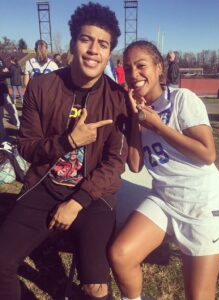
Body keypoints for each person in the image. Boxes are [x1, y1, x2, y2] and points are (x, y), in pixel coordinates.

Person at [0, 2, 128, 300]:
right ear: (72, 43)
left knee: (96, 287)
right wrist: (68, 141)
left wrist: (78, 202)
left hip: (92, 195)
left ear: (109, 53)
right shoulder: (42, 87)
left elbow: (114, 163)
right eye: (86, 39)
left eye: (103, 44)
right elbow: (27, 147)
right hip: (46, 186)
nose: (94, 49)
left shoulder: (118, 98)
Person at [110, 40, 219, 300]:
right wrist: (136, 118)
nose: (134, 74)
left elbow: (208, 154)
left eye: (141, 65)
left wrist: (159, 127)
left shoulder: (182, 99)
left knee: (199, 296)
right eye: (128, 68)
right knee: (121, 255)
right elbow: (135, 165)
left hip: (200, 203)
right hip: (164, 199)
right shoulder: (140, 112)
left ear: (159, 68)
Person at [0, 56, 20, 141]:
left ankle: (20, 130)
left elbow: (7, 72)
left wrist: (3, 73)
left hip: (3, 88)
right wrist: (3, 73)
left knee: (12, 109)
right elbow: (4, 72)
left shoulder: (0, 58)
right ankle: (3, 137)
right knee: (0, 115)